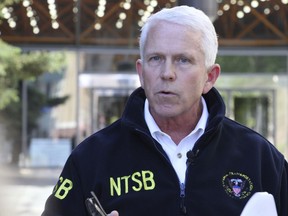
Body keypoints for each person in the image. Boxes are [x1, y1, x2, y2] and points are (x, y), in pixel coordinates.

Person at [42, 5, 288, 216]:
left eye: (183, 60)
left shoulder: (260, 158)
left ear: (209, 77)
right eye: (156, 59)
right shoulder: (90, 158)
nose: (167, 73)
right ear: (141, 72)